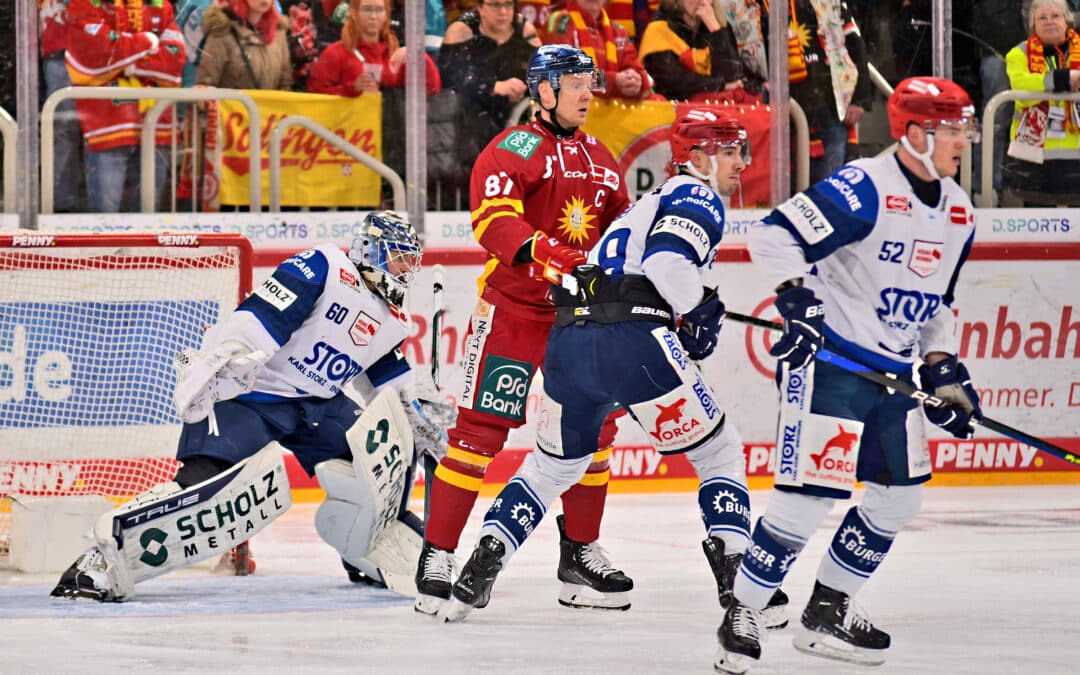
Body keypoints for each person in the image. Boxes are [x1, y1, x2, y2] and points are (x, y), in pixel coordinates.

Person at [440, 108, 791, 627]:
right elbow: (667, 266)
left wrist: (688, 309)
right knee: (719, 453)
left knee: (551, 467)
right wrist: (695, 309)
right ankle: (743, 585)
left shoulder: (640, 209)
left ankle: (483, 559)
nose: (744, 161)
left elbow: (613, 273)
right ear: (696, 157)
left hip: (569, 340)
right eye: (731, 150)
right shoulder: (696, 195)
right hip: (632, 339)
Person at [713, 76, 983, 673]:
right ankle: (745, 609)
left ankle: (827, 609)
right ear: (914, 134)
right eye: (952, 129)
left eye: (966, 128)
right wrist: (797, 299)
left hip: (893, 378)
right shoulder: (865, 185)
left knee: (899, 498)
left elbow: (938, 303)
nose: (963, 140)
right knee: (808, 501)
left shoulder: (960, 211)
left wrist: (942, 369)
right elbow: (773, 235)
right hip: (833, 366)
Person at [50, 212, 450, 601]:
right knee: (205, 484)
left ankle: (363, 552)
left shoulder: (391, 317)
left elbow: (390, 384)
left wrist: (419, 411)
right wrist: (232, 352)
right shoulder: (326, 265)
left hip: (317, 407)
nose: (403, 268)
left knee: (382, 461)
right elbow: (265, 313)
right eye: (396, 257)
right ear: (368, 251)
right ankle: (100, 557)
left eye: (408, 260)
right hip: (254, 394)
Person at [415, 45, 636, 617]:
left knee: (595, 431)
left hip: (579, 322)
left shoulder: (603, 160)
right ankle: (437, 554)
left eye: (591, 82)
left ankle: (578, 554)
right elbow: (493, 223)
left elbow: (622, 235)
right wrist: (556, 257)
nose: (589, 93)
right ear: (543, 90)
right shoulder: (512, 150)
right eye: (576, 83)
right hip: (514, 313)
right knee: (478, 434)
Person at [64, 0, 185, 213]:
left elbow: (175, 62)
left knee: (149, 225)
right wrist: (147, 45)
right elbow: (93, 60)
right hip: (107, 125)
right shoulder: (84, 4)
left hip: (156, 127)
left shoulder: (162, 6)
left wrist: (128, 62)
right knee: (103, 222)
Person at [434, 0, 542, 197]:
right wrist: (492, 87)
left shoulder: (525, 31)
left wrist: (523, 86)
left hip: (515, 117)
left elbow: (544, 75)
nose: (502, 12)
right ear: (480, 8)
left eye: (507, 5)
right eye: (495, 5)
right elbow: (448, 78)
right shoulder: (461, 31)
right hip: (468, 119)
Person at [1001, 0, 1080, 206]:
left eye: (1055, 16)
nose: (1049, 22)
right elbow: (1022, 87)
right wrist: (1064, 79)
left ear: (1067, 20)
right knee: (1037, 228)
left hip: (1077, 158)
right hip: (1033, 160)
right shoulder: (1018, 53)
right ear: (1033, 25)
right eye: (1042, 18)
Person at [787, 0, 873, 184]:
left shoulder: (832, 3)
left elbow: (856, 45)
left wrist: (860, 99)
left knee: (829, 190)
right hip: (784, 113)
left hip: (829, 109)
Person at [638, 0, 765, 103]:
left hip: (717, 110)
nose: (703, 2)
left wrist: (715, 29)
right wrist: (721, 85)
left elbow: (732, 75)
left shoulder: (717, 27)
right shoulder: (658, 29)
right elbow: (672, 81)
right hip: (671, 109)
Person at [541, 0, 652, 100]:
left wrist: (637, 81)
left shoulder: (618, 31)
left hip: (612, 116)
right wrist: (613, 82)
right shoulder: (560, 22)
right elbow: (564, 76)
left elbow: (638, 71)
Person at [40, 0, 86, 213]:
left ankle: (76, 202)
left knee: (95, 130)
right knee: (62, 127)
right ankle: (64, 204)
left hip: (92, 49)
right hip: (56, 51)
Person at [197, 0, 294, 90]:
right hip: (233, 108)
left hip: (271, 108)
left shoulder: (279, 32)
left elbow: (286, 83)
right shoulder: (222, 32)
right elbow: (205, 87)